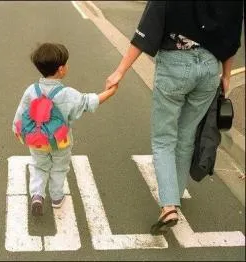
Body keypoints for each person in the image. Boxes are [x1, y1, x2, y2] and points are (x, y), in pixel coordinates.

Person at [104, 1, 243, 234]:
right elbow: (232, 35)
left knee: (164, 138)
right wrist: (226, 75)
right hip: (209, 69)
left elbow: (147, 28)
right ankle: (175, 193)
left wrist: (120, 71)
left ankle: (169, 206)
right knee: (186, 136)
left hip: (175, 66)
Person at [13, 42, 117, 216]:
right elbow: (88, 102)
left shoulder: (31, 90)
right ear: (61, 69)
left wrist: (18, 131)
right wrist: (111, 92)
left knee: (39, 167)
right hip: (60, 142)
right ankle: (56, 198)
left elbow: (20, 114)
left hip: (37, 141)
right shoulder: (67, 94)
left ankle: (37, 195)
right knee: (59, 169)